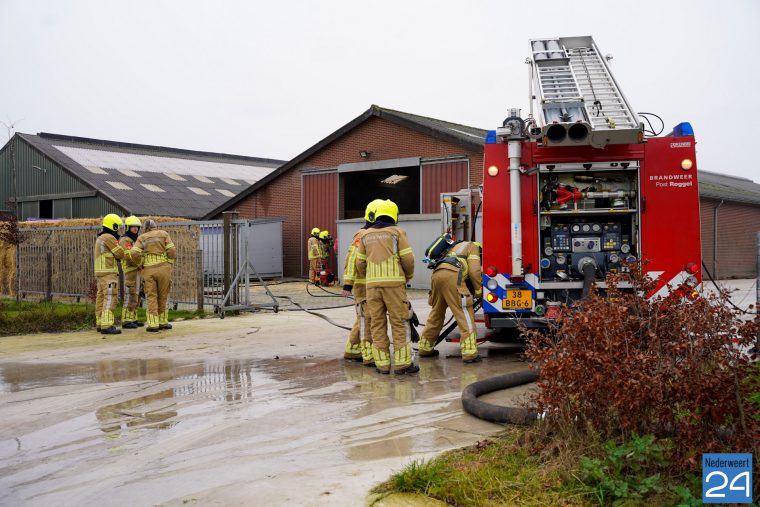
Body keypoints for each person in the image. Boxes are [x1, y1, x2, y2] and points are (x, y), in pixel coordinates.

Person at [355, 199, 418, 375]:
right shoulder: (397, 232)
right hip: (394, 286)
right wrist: (408, 276)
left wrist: (369, 277)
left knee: (377, 323)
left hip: (372, 287)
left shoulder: (365, 235)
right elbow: (408, 259)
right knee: (399, 322)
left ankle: (382, 365)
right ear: (394, 215)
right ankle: (403, 364)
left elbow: (359, 263)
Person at [418, 241, 483, 363]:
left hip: (437, 274)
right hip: (453, 275)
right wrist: (479, 291)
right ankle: (469, 353)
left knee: (436, 314)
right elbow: (474, 272)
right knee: (464, 314)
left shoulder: (454, 247)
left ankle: (425, 348)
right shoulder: (473, 247)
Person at [342, 199, 385, 366]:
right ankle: (367, 354)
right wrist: (348, 283)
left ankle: (353, 350)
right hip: (362, 286)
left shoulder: (374, 234)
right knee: (366, 319)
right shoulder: (362, 234)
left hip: (372, 285)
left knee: (364, 317)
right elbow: (351, 258)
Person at [127, 219, 176, 332]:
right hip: (164, 268)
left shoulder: (142, 237)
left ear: (144, 228)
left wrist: (140, 263)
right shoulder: (164, 234)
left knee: (151, 296)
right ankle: (163, 322)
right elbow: (172, 250)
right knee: (164, 295)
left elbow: (134, 253)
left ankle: (153, 324)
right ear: (155, 226)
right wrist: (169, 262)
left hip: (149, 269)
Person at [94, 214, 125, 335]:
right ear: (113, 226)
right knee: (111, 297)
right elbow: (120, 254)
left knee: (101, 298)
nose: (119, 230)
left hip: (101, 272)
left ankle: (100, 323)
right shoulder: (109, 237)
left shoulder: (101, 237)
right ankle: (107, 325)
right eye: (118, 227)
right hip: (108, 273)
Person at [119, 216, 144, 329]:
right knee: (130, 294)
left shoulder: (135, 240)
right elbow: (129, 256)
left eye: (137, 227)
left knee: (137, 295)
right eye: (133, 227)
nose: (135, 229)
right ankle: (126, 320)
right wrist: (140, 263)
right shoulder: (125, 240)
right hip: (130, 271)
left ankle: (133, 318)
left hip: (137, 270)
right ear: (128, 227)